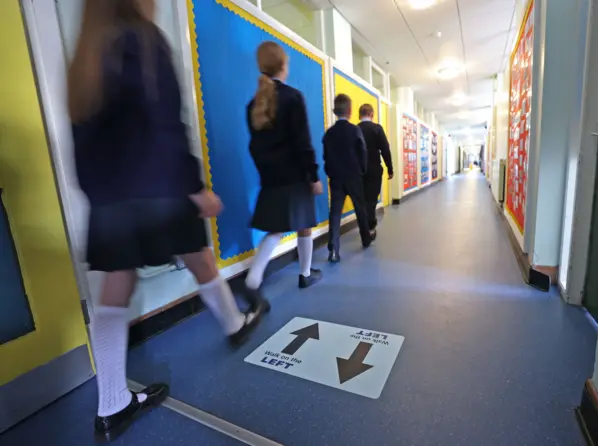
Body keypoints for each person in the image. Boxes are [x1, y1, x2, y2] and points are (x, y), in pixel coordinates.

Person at [67, 0, 263, 441]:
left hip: (110, 197)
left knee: (115, 285)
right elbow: (165, 125)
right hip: (157, 186)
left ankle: (112, 403)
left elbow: (83, 145)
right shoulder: (143, 39)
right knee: (199, 258)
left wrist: (101, 198)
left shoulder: (85, 56)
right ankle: (234, 325)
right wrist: (195, 187)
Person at [244, 41, 323, 306]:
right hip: (295, 175)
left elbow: (254, 147)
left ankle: (252, 281)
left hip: (271, 178)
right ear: (283, 66)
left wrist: (268, 171)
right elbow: (303, 142)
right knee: (304, 225)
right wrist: (313, 176)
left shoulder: (252, 105)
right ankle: (305, 273)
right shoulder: (292, 98)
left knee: (275, 230)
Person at [323, 94, 372, 263]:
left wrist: (330, 172)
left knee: (335, 213)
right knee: (360, 208)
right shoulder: (355, 130)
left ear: (335, 111)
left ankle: (333, 250)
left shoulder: (329, 134)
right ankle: (365, 239)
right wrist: (362, 170)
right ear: (350, 111)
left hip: (336, 178)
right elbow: (363, 152)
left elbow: (326, 156)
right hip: (353, 176)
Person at [358, 104, 393, 239]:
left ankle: (365, 227)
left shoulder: (355, 129)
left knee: (362, 200)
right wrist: (390, 169)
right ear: (372, 114)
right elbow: (385, 150)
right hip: (374, 170)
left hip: (359, 171)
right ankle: (370, 227)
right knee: (371, 200)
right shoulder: (377, 129)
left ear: (359, 114)